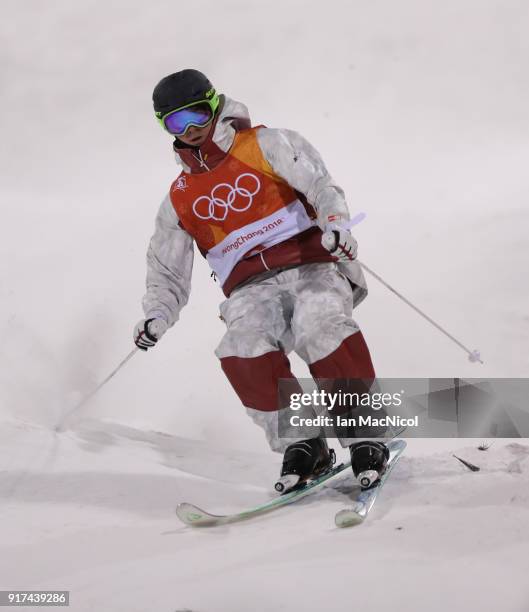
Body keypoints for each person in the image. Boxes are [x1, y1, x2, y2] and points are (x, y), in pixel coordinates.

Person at [133, 69, 389, 492]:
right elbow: (166, 269)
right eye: (177, 123)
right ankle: (304, 443)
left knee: (320, 328)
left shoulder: (267, 145)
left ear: (215, 105)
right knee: (242, 348)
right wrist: (157, 314)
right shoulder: (178, 198)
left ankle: (367, 437)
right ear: (165, 127)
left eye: (197, 114)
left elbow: (323, 186)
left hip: (310, 265)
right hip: (250, 288)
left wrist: (337, 226)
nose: (192, 129)